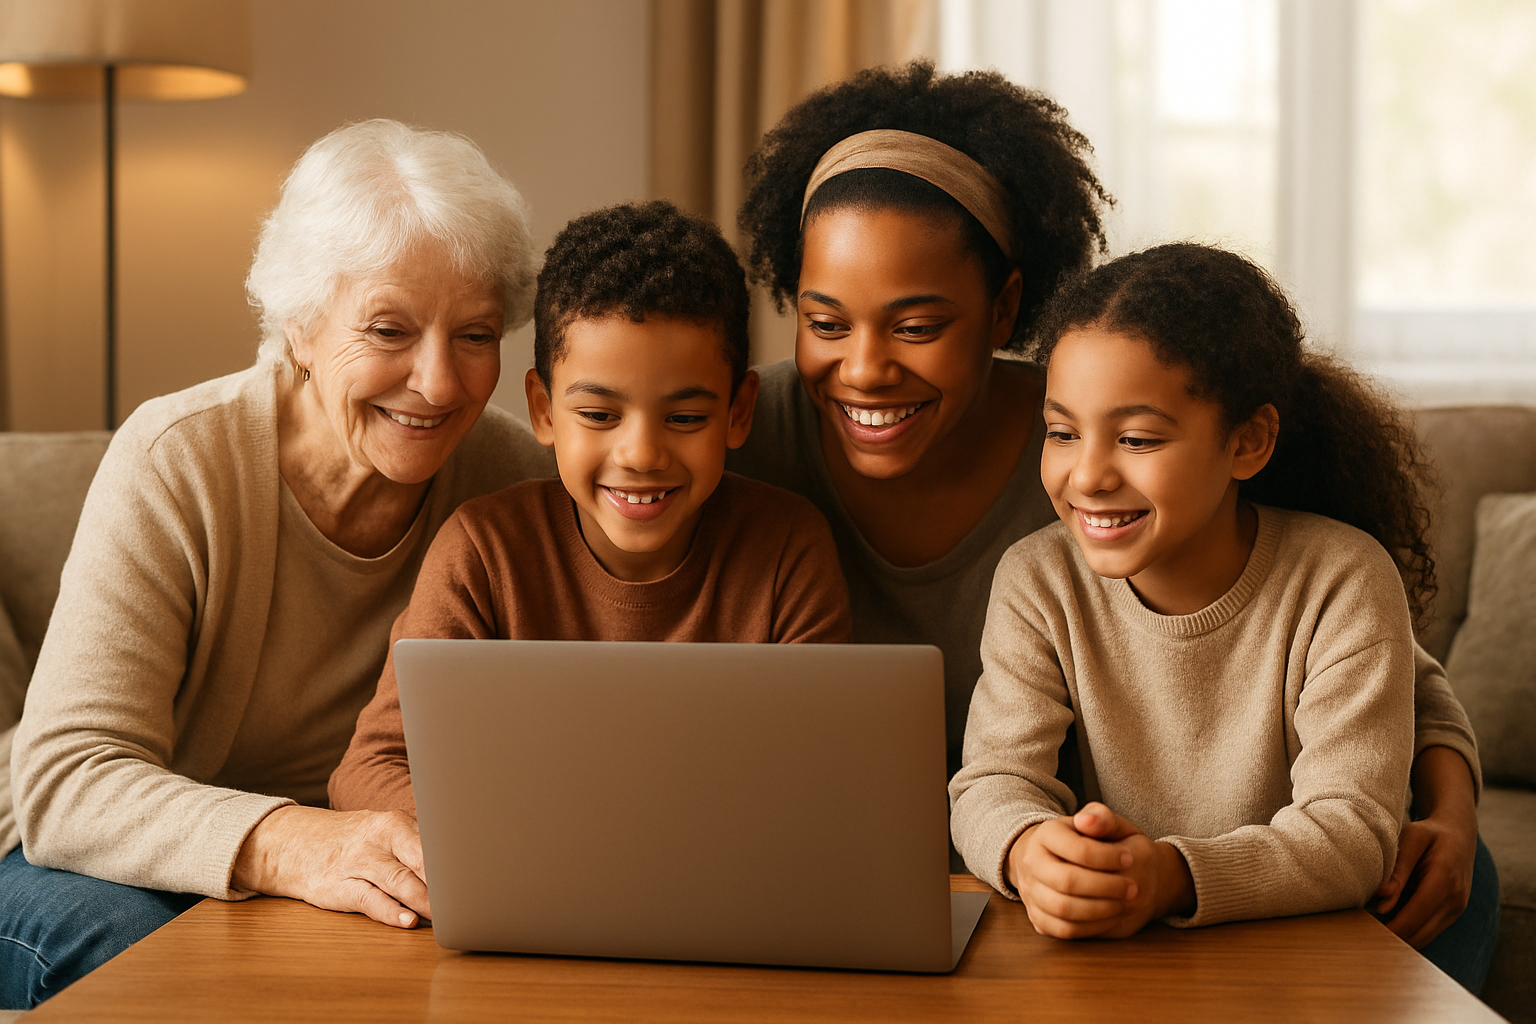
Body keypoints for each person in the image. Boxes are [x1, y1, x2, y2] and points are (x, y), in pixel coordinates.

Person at [726, 61, 1489, 961]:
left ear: (1005, 305)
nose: (863, 370)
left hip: (1276, 895)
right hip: (1053, 881)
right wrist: (1024, 845)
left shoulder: (1127, 448)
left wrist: (1450, 803)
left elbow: (1385, 677)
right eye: (825, 323)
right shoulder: (739, 432)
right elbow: (994, 783)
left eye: (918, 325)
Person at [0, 120, 554, 1010]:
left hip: (341, 881)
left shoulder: (514, 476)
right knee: (161, 962)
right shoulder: (178, 460)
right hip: (68, 857)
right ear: (299, 322)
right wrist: (297, 844)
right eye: (388, 329)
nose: (440, 383)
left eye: (477, 335)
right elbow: (70, 782)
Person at [948, 244, 1499, 992]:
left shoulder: (1341, 576)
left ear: (1248, 442)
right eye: (1062, 431)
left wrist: (1172, 875)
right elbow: (992, 781)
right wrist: (1026, 847)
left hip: (1348, 912)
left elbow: (1351, 831)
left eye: (1138, 439)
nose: (1087, 475)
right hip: (1154, 909)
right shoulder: (1037, 580)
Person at [329, 200, 852, 815]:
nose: (641, 454)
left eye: (685, 418)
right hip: (524, 890)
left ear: (738, 413)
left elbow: (825, 777)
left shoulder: (788, 550)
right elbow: (372, 769)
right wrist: (530, 834)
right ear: (544, 410)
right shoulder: (484, 552)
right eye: (600, 416)